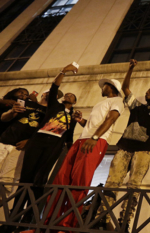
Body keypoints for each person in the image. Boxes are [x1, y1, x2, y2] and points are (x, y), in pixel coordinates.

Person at [1, 63, 79, 232]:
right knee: (25, 180)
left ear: (74, 102)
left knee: (40, 180)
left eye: (72, 95)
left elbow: (70, 138)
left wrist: (70, 153)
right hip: (37, 142)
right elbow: (55, 86)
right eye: (67, 94)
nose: (68, 95)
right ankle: (13, 220)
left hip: (53, 147)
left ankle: (30, 220)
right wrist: (63, 71)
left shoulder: (72, 117)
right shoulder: (55, 106)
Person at [96, 59, 150, 230]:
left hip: (144, 150)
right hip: (125, 146)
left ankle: (125, 220)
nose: (147, 92)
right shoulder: (137, 107)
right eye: (147, 91)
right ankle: (103, 216)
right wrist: (130, 69)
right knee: (113, 180)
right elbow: (125, 88)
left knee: (134, 185)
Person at [43, 78, 125, 229]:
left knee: (80, 182)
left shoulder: (118, 101)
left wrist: (95, 137)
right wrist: (81, 121)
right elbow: (93, 124)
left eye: (105, 85)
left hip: (96, 141)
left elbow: (111, 119)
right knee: (62, 180)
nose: (102, 87)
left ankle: (67, 225)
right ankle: (48, 222)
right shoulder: (101, 103)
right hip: (82, 140)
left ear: (111, 87)